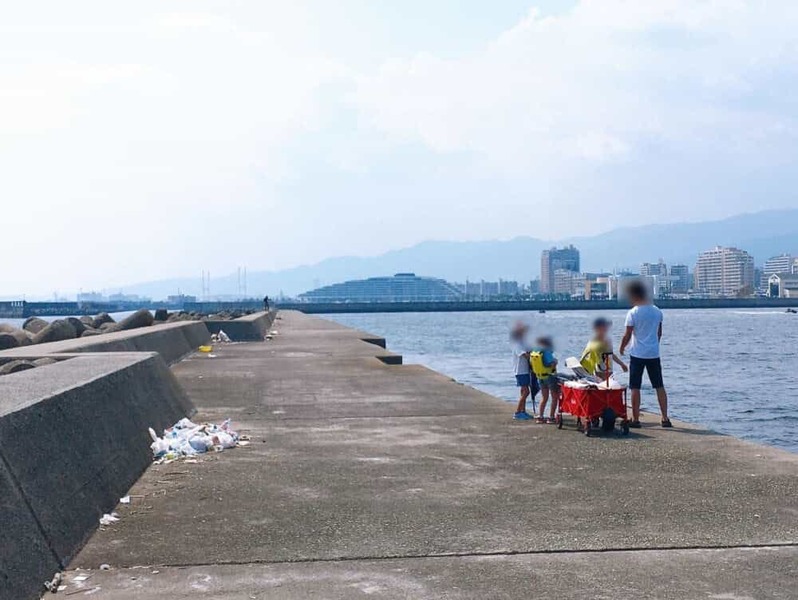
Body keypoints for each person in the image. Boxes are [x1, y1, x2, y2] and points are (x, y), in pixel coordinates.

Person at [619, 281, 671, 428]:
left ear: (635, 295)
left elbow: (627, 334)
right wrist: (654, 344)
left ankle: (635, 419)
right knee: (659, 385)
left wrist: (622, 347)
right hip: (654, 354)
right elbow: (659, 333)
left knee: (635, 387)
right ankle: (665, 418)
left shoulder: (633, 313)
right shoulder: (657, 311)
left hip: (637, 354)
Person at [510, 321, 537, 420]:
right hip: (520, 371)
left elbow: (531, 350)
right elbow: (525, 355)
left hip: (525, 370)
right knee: (526, 392)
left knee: (523, 391)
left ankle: (523, 411)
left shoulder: (524, 342)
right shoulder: (517, 343)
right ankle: (517, 412)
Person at [530, 336, 559, 424]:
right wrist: (555, 362)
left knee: (544, 397)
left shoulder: (534, 351)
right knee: (555, 397)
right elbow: (551, 364)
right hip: (549, 376)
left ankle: (541, 417)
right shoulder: (546, 351)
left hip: (540, 377)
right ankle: (551, 417)